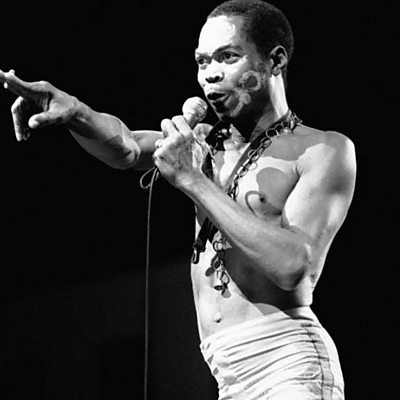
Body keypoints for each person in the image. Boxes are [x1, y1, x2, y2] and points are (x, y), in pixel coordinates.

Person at [0, 0, 356, 398]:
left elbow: (294, 268)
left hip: (289, 364)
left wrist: (193, 180)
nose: (210, 73)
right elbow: (126, 147)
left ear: (275, 60)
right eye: (202, 61)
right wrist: (76, 112)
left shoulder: (322, 150)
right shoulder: (205, 144)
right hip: (228, 375)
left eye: (228, 57)